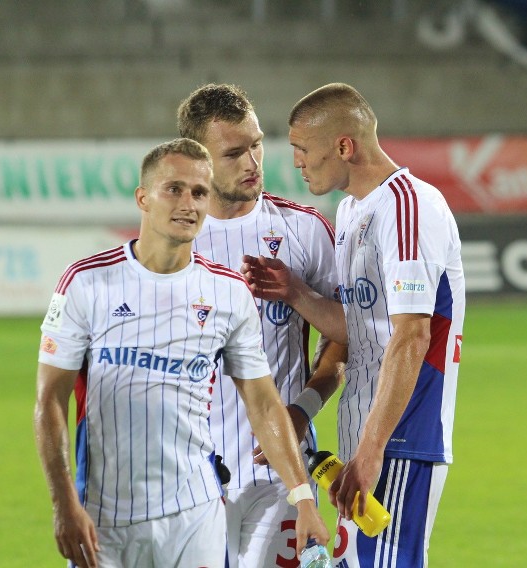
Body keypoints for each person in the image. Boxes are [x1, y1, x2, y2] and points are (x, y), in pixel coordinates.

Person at [33, 138, 329, 568]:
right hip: (105, 518)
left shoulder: (228, 293)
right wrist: (63, 504)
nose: (188, 203)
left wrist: (303, 498)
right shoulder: (86, 283)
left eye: (199, 192)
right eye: (174, 189)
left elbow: (264, 405)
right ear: (143, 198)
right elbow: (50, 401)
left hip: (197, 515)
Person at [242, 83, 466, 567]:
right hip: (367, 435)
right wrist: (296, 293)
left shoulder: (409, 206)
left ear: (344, 146)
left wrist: (371, 450)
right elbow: (360, 328)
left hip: (402, 437)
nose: (296, 162)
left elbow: (412, 334)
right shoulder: (350, 211)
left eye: (303, 150)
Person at [177, 83, 347, 567]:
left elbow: (343, 337)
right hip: (193, 473)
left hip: (281, 472)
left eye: (257, 144)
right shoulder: (172, 244)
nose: (253, 162)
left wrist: (303, 410)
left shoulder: (304, 230)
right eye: (234, 153)